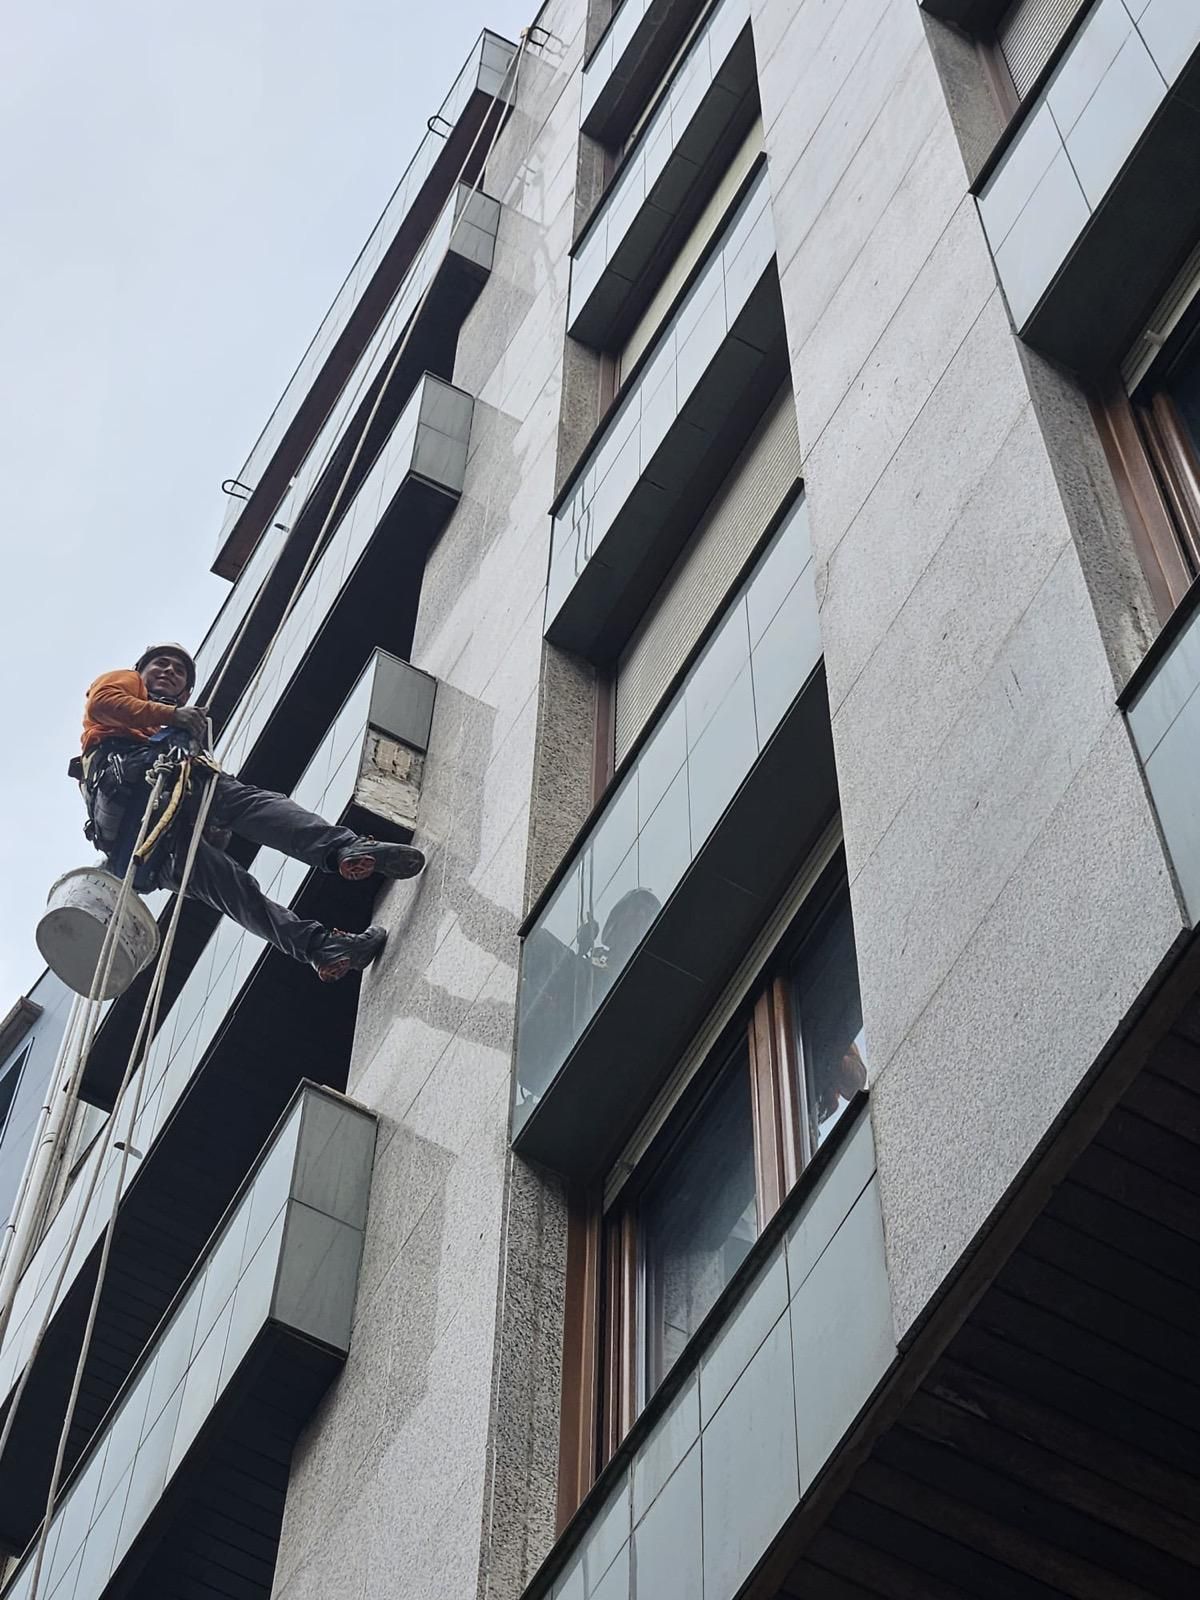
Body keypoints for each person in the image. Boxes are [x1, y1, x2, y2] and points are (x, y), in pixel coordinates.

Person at [76, 643, 425, 983]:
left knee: (236, 890)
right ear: (142, 671)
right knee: (252, 806)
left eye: (178, 670)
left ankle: (321, 947)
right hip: (146, 785)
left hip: (153, 846)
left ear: (185, 693)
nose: (168, 671)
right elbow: (103, 704)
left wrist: (214, 832)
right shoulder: (128, 684)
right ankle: (343, 849)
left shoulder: (180, 734)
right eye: (160, 664)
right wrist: (172, 716)